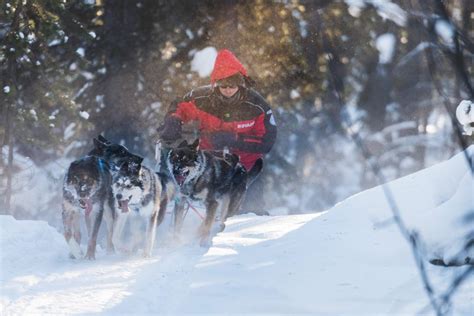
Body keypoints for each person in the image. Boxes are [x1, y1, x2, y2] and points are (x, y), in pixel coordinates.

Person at [159, 49, 277, 214]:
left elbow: (267, 141)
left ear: (241, 84)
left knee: (251, 212)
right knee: (207, 209)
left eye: (232, 85)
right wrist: (173, 120)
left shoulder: (258, 106)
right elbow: (180, 106)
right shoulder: (202, 98)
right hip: (210, 166)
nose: (228, 89)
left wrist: (235, 140)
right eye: (223, 85)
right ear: (215, 84)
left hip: (246, 168)